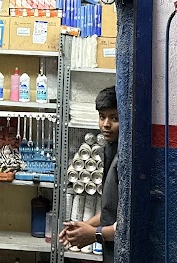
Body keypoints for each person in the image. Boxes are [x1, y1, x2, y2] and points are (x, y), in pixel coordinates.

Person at [60, 85, 119, 263]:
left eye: (114, 118)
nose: (106, 124)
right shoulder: (111, 150)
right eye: (102, 117)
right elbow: (112, 212)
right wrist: (83, 227)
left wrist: (94, 234)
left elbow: (130, 224)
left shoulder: (127, 159)